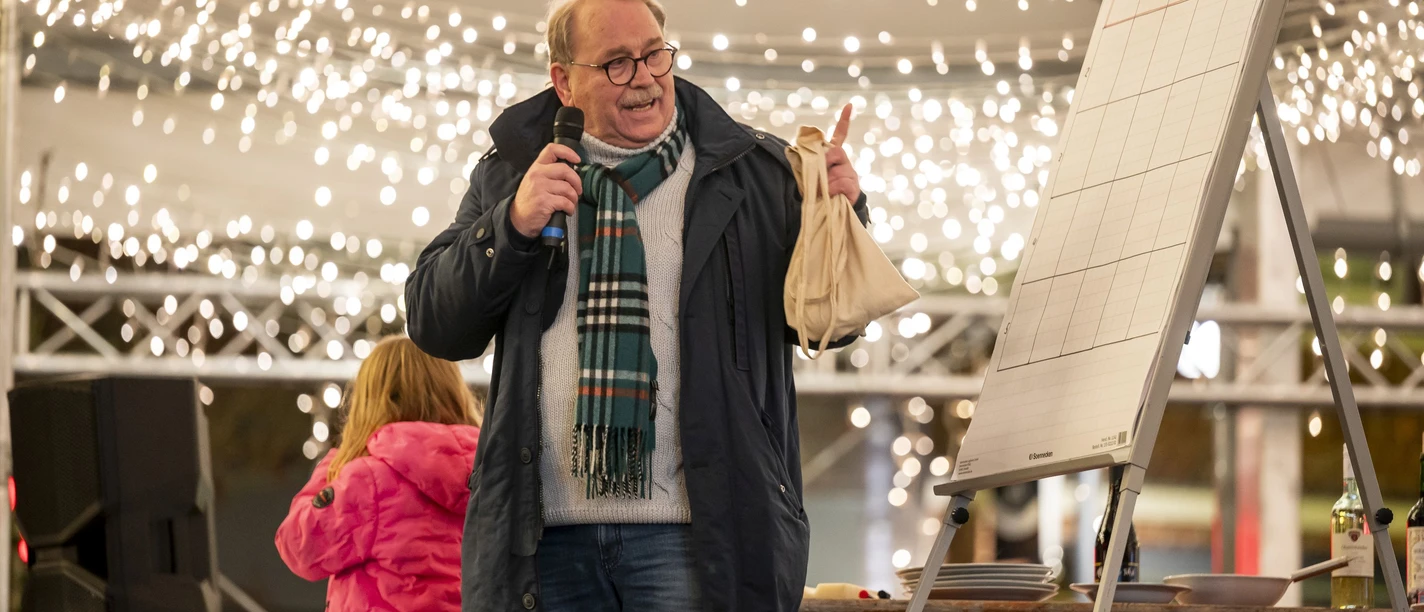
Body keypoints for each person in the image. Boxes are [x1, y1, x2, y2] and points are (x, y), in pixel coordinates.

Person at [404, 0, 866, 609]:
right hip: (541, 543)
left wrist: (843, 214)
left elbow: (828, 325)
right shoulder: (513, 174)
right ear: (563, 80)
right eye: (616, 63)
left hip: (700, 536)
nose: (645, 76)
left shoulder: (756, 173)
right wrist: (511, 225)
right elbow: (436, 325)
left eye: (654, 54)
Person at [275, 336, 483, 611]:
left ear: (372, 401)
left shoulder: (368, 480)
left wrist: (336, 463)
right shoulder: (488, 471)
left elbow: (299, 545)